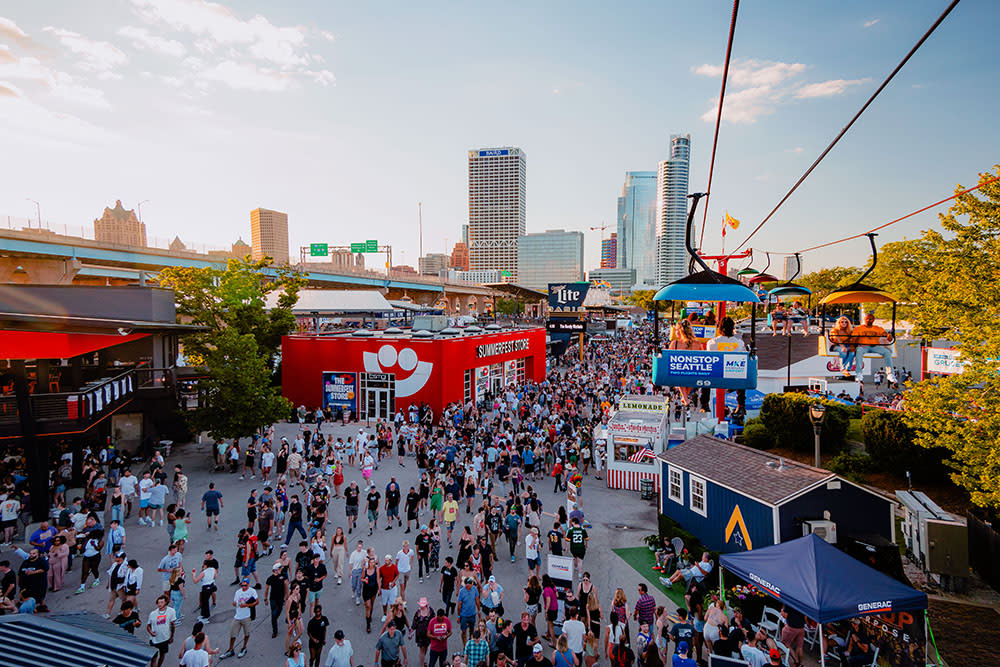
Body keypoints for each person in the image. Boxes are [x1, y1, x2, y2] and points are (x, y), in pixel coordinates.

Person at [851, 312, 897, 383]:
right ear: (864, 319)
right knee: (859, 351)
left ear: (873, 320)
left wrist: (888, 335)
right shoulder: (859, 328)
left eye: (871, 319)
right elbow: (853, 338)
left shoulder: (878, 328)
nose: (869, 320)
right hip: (864, 346)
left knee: (887, 352)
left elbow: (885, 335)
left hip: (875, 346)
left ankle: (890, 373)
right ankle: (859, 373)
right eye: (867, 319)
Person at [220, 578, 258, 659]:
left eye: (245, 585)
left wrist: (247, 605)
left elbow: (256, 602)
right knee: (233, 634)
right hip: (238, 616)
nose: (243, 587)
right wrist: (236, 604)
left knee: (247, 633)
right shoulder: (238, 592)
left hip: (247, 616)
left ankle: (244, 648)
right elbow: (234, 603)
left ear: (248, 584)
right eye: (242, 585)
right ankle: (230, 650)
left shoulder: (252, 591)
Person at [145, 594, 177, 667]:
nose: (159, 604)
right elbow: (148, 626)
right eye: (158, 602)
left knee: (162, 655)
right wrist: (150, 632)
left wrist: (171, 636)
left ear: (166, 602)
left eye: (161, 602)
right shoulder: (153, 614)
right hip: (154, 640)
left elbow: (173, 625)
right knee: (153, 658)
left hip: (165, 638)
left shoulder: (171, 611)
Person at [267, 561, 290, 638]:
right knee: (273, 615)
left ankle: (274, 620)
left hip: (280, 598)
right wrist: (265, 598)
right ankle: (275, 630)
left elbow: (286, 585)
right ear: (275, 570)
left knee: (279, 611)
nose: (281, 570)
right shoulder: (270, 578)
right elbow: (267, 589)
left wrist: (287, 595)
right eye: (279, 569)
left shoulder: (283, 576)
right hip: (273, 599)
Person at [457, 577, 480, 643]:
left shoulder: (474, 589)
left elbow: (477, 600)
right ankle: (465, 645)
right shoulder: (461, 592)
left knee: (472, 630)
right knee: (464, 631)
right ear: (466, 584)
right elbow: (459, 606)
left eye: (471, 583)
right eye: (469, 583)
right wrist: (459, 616)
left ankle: (470, 641)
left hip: (472, 614)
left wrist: (479, 611)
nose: (470, 584)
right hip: (464, 615)